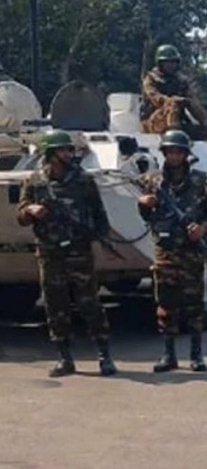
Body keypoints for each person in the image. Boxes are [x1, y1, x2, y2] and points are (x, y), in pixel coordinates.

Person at [16, 130, 117, 377]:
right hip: (49, 253)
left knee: (89, 302)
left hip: (78, 251)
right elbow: (21, 216)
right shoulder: (35, 181)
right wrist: (31, 209)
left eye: (70, 150)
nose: (69, 154)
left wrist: (102, 241)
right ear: (51, 154)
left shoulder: (83, 181)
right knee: (55, 304)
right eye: (63, 150)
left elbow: (99, 215)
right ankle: (64, 357)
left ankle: (104, 354)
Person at [137, 130, 207, 373]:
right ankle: (168, 354)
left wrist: (202, 229)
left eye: (178, 152)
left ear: (185, 155)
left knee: (194, 305)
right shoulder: (153, 182)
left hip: (191, 250)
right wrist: (143, 205)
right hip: (165, 252)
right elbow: (147, 217)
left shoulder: (200, 182)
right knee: (166, 305)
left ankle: (196, 355)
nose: (174, 156)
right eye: (170, 151)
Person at [140, 44, 207, 186]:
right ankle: (181, 144)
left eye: (173, 62)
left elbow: (193, 102)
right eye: (167, 62)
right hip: (154, 121)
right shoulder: (151, 78)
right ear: (160, 63)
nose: (170, 65)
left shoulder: (181, 80)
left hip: (178, 122)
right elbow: (155, 97)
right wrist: (173, 100)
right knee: (174, 103)